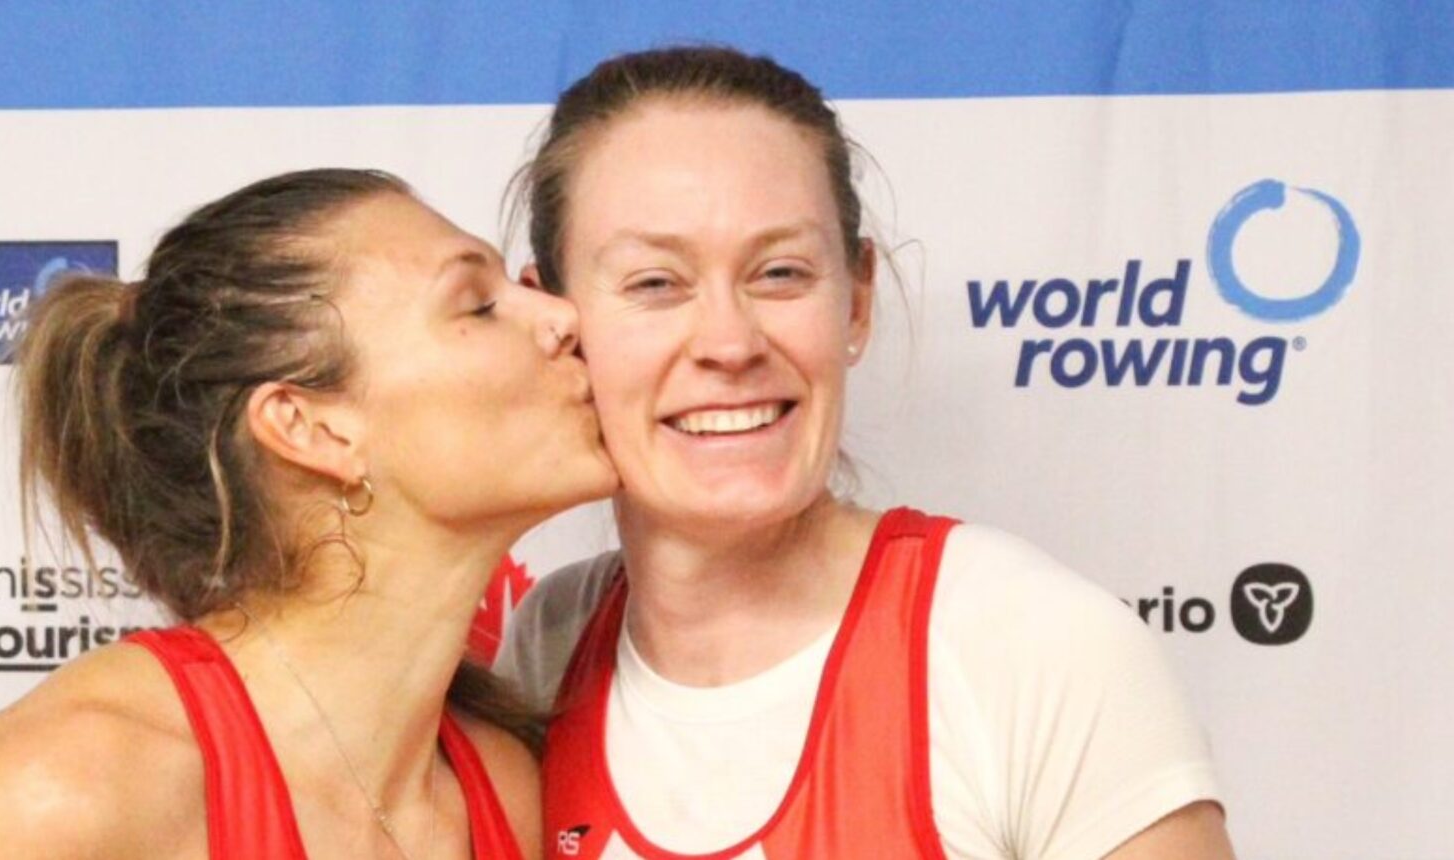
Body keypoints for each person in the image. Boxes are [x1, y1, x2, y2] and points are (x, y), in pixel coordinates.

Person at [496, 47, 1236, 859]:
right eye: (655, 284)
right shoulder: (548, 645)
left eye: (779, 273)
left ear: (855, 301)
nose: (730, 341)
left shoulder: (1034, 649)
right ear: (551, 320)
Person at [0, 168, 616, 859]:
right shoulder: (69, 788)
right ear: (309, 427)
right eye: (478, 307)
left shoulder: (505, 788)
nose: (562, 317)